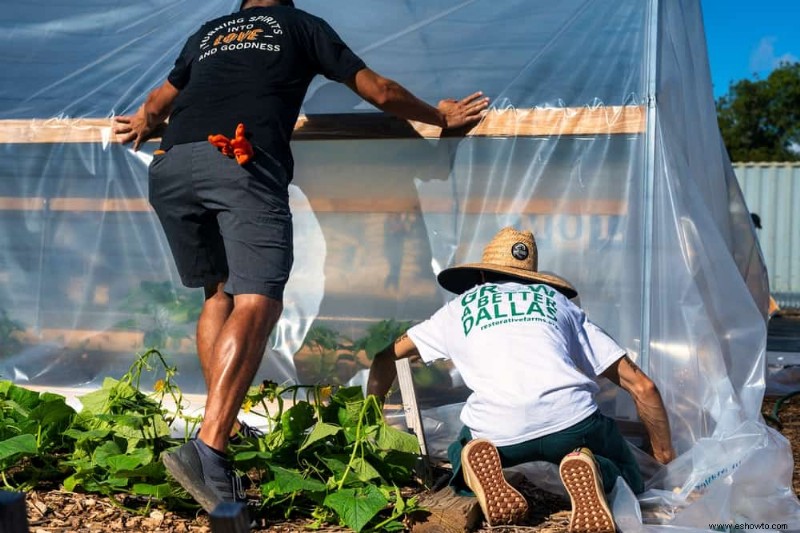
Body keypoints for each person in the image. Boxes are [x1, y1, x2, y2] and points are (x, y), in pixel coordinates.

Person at [113, 0, 489, 513]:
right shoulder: (300, 26)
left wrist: (141, 121)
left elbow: (158, 101)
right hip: (237, 158)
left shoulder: (212, 31)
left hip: (172, 164)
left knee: (218, 291)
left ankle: (223, 429)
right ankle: (210, 447)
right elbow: (378, 91)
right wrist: (438, 115)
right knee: (259, 298)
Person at [367, 227, 675, 531]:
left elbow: (385, 358)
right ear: (532, 278)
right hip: (571, 422)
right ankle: (590, 465)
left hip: (498, 430)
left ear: (482, 277)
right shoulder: (557, 301)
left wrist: (371, 420)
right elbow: (642, 386)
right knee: (626, 476)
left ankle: (478, 469)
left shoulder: (457, 309)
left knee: (461, 453)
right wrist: (665, 460)